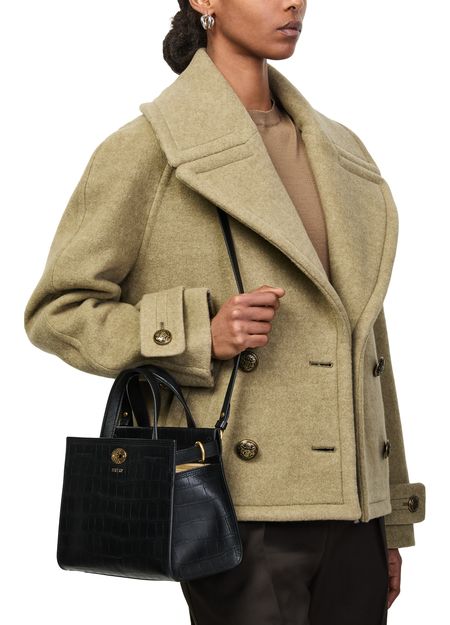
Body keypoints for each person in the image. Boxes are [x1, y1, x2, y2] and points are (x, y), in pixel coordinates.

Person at [24, 1, 426, 623]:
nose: (293, 2)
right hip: (238, 511)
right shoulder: (151, 150)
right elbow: (59, 311)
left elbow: (370, 343)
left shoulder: (341, 149)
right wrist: (194, 333)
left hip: (355, 515)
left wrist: (391, 516)